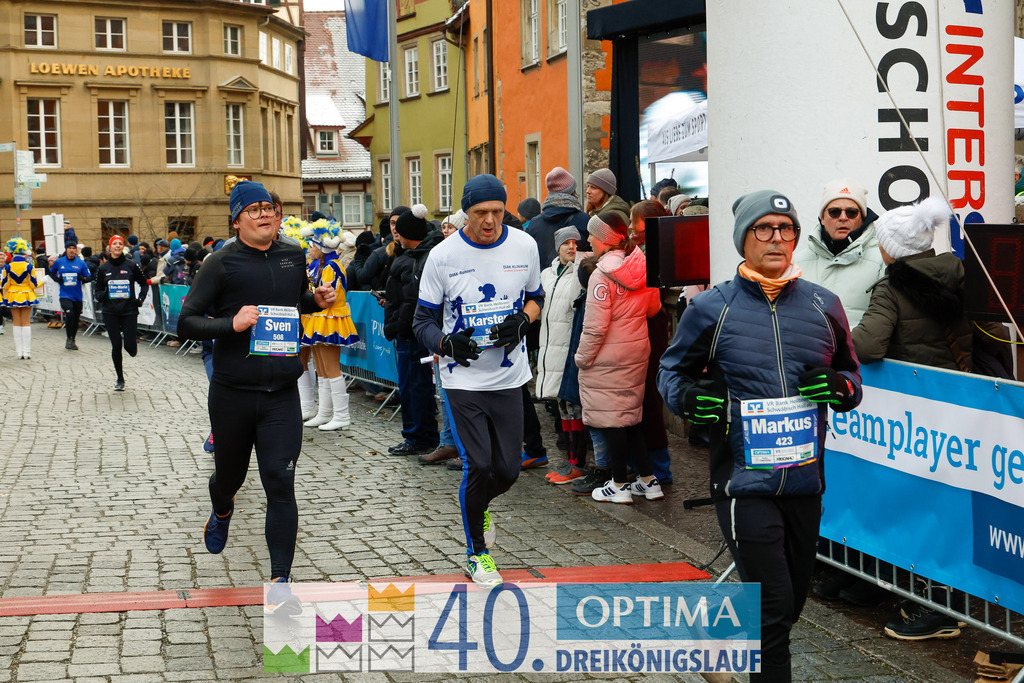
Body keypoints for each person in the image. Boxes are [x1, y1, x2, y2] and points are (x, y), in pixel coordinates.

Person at [658, 190, 862, 681]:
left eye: (785, 228)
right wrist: (689, 401)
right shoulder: (712, 307)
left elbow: (852, 381)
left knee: (788, 605)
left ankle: (714, 634)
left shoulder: (823, 304)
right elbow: (671, 373)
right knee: (773, 611)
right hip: (742, 481)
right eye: (763, 229)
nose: (776, 238)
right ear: (743, 239)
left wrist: (838, 387)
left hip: (805, 482)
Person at [178, 180, 335, 614]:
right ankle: (222, 508)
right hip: (232, 393)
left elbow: (289, 300)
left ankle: (280, 584)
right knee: (229, 478)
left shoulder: (292, 255)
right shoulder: (220, 263)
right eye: (255, 209)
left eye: (270, 207)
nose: (265, 214)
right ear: (237, 219)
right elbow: (186, 322)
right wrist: (232, 323)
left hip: (281, 392)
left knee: (280, 482)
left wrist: (315, 302)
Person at [847, 195, 971, 640]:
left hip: (921, 413)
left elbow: (867, 346)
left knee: (929, 506)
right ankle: (935, 597)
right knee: (946, 501)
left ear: (890, 249)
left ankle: (945, 609)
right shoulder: (958, 271)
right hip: (962, 403)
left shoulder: (894, 287)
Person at [414, 174, 544, 587]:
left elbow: (536, 297)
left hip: (509, 375)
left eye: (497, 212)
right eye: (479, 213)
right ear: (465, 213)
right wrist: (446, 343)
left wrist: (524, 320)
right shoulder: (443, 255)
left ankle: (479, 507)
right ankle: (477, 553)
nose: (489, 221)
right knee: (479, 464)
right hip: (462, 379)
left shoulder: (524, 245)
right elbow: (422, 320)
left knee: (507, 470)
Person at [575, 213, 663, 503]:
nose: (588, 240)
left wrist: (582, 359)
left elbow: (595, 327)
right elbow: (652, 308)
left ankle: (619, 485)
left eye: (592, 235)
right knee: (630, 418)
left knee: (612, 421)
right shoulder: (643, 267)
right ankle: (649, 481)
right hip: (637, 350)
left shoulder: (601, 276)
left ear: (603, 239)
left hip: (607, 356)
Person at [384, 205, 443, 455]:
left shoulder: (416, 259)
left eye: (400, 228)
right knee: (415, 386)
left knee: (414, 387)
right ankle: (419, 434)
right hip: (412, 329)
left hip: (410, 333)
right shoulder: (415, 255)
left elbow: (411, 301)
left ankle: (417, 436)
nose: (395, 232)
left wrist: (397, 327)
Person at [794, 179, 885, 327]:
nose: (843, 217)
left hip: (857, 350)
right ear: (822, 218)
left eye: (852, 212)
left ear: (862, 218)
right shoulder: (797, 263)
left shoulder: (881, 261)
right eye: (834, 212)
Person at [536, 227, 586, 484]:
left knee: (573, 406)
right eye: (566, 243)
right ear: (557, 247)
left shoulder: (580, 273)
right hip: (549, 348)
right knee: (562, 407)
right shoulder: (546, 274)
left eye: (575, 243)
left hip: (569, 349)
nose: (571, 247)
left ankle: (578, 462)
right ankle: (571, 461)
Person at [300, 220, 359, 431]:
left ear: (322, 247)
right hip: (321, 317)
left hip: (331, 318)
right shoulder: (324, 265)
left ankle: (342, 415)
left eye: (312, 245)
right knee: (323, 369)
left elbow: (329, 296)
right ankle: (325, 413)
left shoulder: (332, 266)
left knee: (332, 368)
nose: (309, 248)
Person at [94, 235, 149, 389]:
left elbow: (144, 284)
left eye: (120, 244)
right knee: (116, 344)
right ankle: (120, 379)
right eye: (114, 244)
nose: (117, 246)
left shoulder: (131, 265)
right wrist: (106, 295)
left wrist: (140, 299)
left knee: (130, 346)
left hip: (129, 310)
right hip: (110, 311)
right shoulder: (103, 268)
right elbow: (97, 291)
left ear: (123, 247)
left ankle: (132, 347)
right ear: (110, 247)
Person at [526, 167, 591, 265]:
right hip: (574, 279)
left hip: (544, 279)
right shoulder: (584, 220)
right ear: (572, 191)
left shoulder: (534, 224)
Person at [49, 240, 92, 350]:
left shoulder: (81, 263)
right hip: (65, 294)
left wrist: (83, 278)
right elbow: (51, 272)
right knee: (70, 314)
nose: (72, 250)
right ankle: (69, 338)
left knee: (75, 318)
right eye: (70, 248)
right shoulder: (59, 262)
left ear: (76, 250)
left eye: (74, 248)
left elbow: (89, 277)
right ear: (66, 250)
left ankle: (73, 339)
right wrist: (58, 280)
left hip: (77, 296)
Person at [2, 237, 39, 359]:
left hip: (13, 295)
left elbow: (5, 285)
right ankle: (26, 352)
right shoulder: (29, 266)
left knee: (16, 323)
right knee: (26, 323)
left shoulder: (7, 267)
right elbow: (34, 284)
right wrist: (43, 281)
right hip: (26, 294)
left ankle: (19, 352)